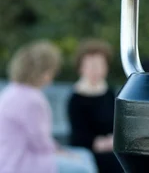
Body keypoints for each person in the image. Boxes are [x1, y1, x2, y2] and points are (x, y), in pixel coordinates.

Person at [0, 40, 97, 173]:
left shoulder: (12, 90)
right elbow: (40, 143)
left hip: (10, 159)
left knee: (85, 155)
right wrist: (64, 154)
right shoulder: (31, 99)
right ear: (42, 72)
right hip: (22, 163)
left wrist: (62, 152)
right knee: (83, 167)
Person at [68, 39, 122, 173]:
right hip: (87, 155)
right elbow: (80, 137)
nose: (95, 70)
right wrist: (105, 143)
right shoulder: (75, 98)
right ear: (81, 68)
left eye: (99, 65)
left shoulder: (111, 93)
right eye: (91, 65)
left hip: (112, 150)